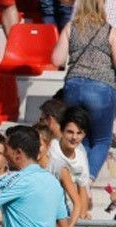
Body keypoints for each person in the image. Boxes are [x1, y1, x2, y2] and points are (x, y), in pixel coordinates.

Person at [52, 0, 116, 181]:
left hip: (73, 88)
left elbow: (57, 59)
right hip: (101, 89)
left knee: (83, 138)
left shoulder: (70, 27)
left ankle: (77, 179)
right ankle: (87, 180)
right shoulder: (109, 30)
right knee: (102, 140)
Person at [47, 106, 91, 227]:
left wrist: (80, 214)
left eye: (79, 133)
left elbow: (82, 188)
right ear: (61, 131)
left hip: (67, 221)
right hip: (47, 218)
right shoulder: (52, 150)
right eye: (70, 132)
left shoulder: (81, 156)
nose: (74, 137)